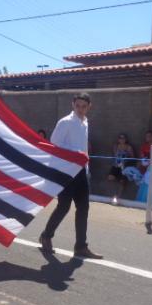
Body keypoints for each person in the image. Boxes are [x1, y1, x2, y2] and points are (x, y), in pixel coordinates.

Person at [39, 93, 103, 259]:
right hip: (66, 171)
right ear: (73, 105)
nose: (80, 109)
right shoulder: (66, 122)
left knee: (83, 208)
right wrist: (76, 154)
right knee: (64, 206)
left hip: (81, 172)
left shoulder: (85, 122)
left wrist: (85, 167)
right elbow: (54, 145)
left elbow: (83, 148)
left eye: (84, 106)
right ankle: (46, 235)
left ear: (89, 106)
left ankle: (81, 246)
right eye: (78, 106)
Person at [107, 133, 135, 201]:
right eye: (120, 138)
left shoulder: (129, 147)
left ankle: (118, 197)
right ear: (118, 139)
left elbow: (133, 157)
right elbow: (115, 155)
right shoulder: (116, 146)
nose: (122, 140)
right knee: (110, 178)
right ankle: (112, 194)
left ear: (126, 139)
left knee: (122, 181)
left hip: (124, 167)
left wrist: (126, 160)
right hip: (116, 166)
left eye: (123, 138)